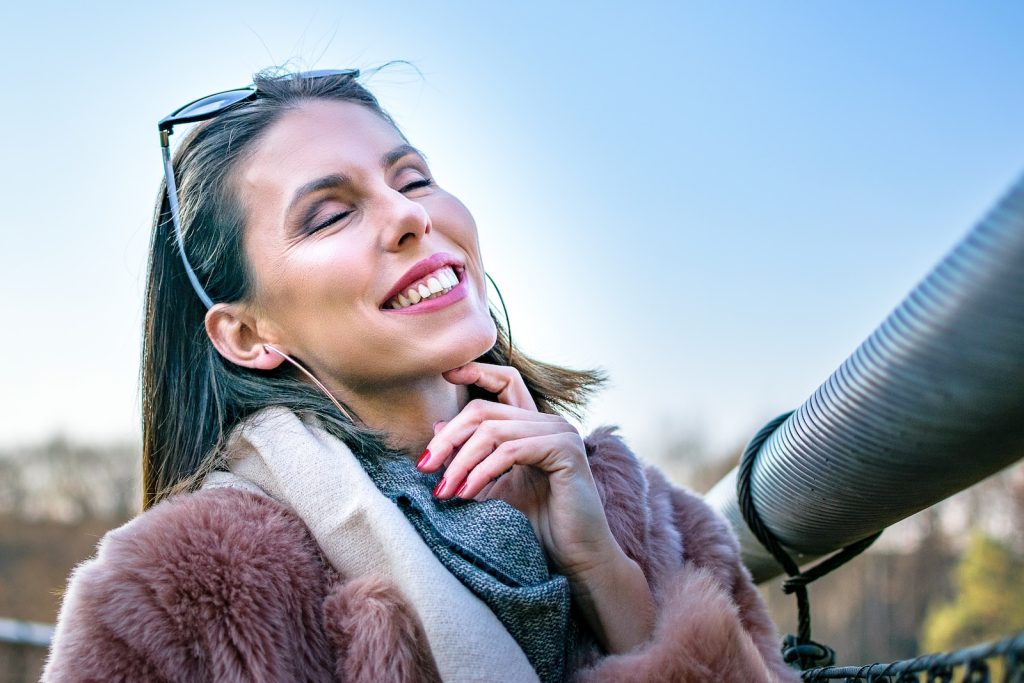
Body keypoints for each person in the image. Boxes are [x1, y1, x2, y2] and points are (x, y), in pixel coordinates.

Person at [42, 69, 798, 682]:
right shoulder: (175, 598)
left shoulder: (646, 510)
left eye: (413, 179)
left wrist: (603, 569)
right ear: (246, 333)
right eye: (330, 214)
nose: (409, 216)